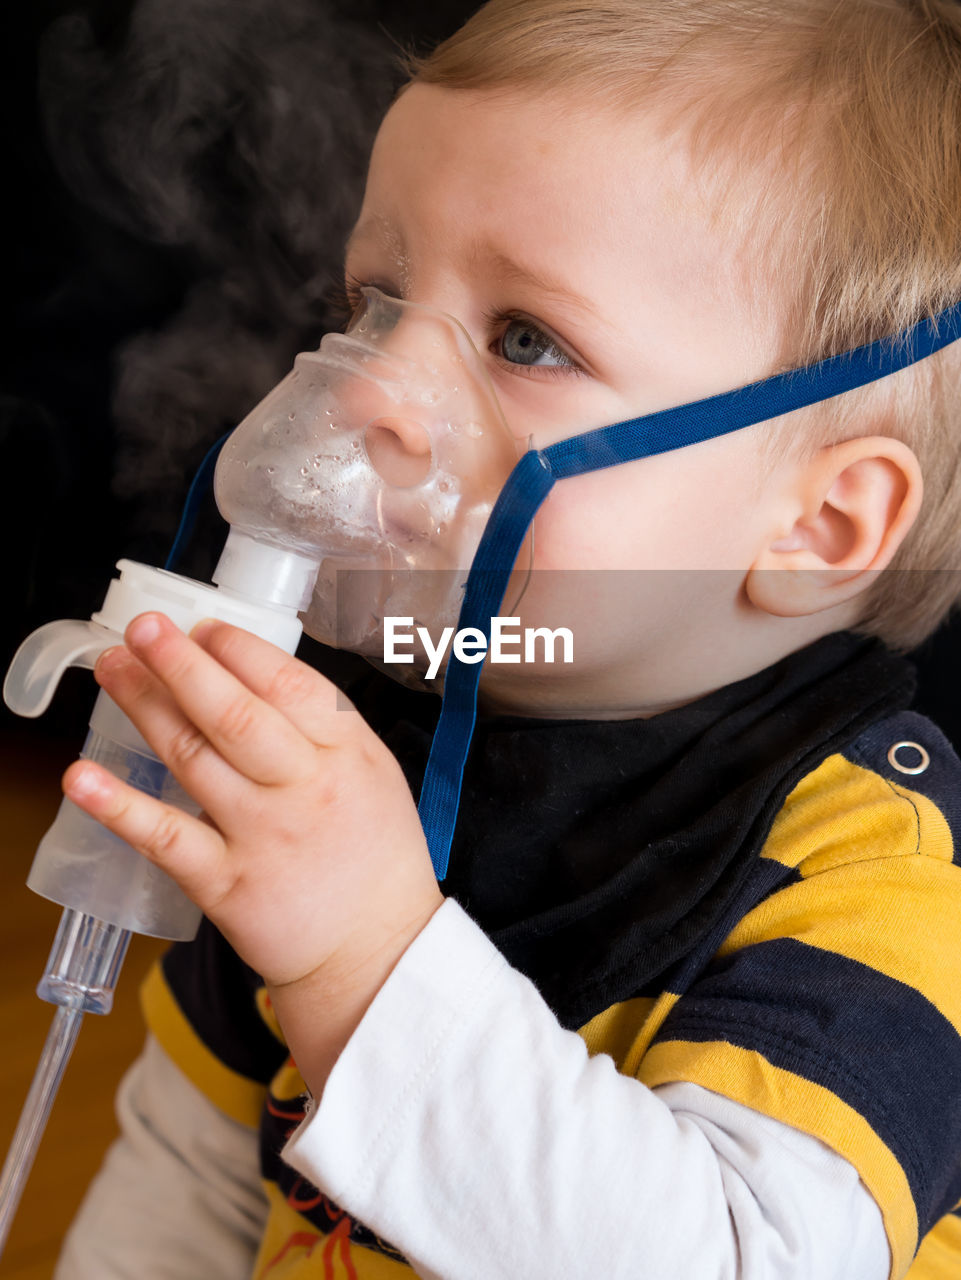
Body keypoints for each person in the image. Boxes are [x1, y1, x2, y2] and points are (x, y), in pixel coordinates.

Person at [52, 1, 961, 1276]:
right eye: (375, 297)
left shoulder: (866, 887)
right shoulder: (340, 758)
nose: (366, 388)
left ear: (817, 522)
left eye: (525, 339)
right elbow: (195, 1165)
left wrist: (363, 956)